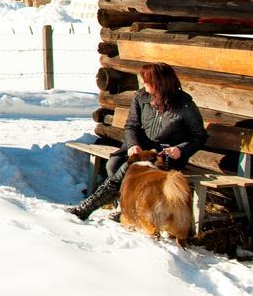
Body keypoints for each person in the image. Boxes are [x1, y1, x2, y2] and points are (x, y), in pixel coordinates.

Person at [68, 62, 207, 220]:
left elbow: (199, 136)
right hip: (141, 147)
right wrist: (133, 144)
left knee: (126, 170)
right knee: (113, 165)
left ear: (159, 83)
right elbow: (131, 125)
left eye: (147, 81)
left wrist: (180, 150)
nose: (144, 84)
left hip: (165, 154)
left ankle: (86, 209)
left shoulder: (184, 105)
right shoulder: (141, 97)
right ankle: (126, 207)